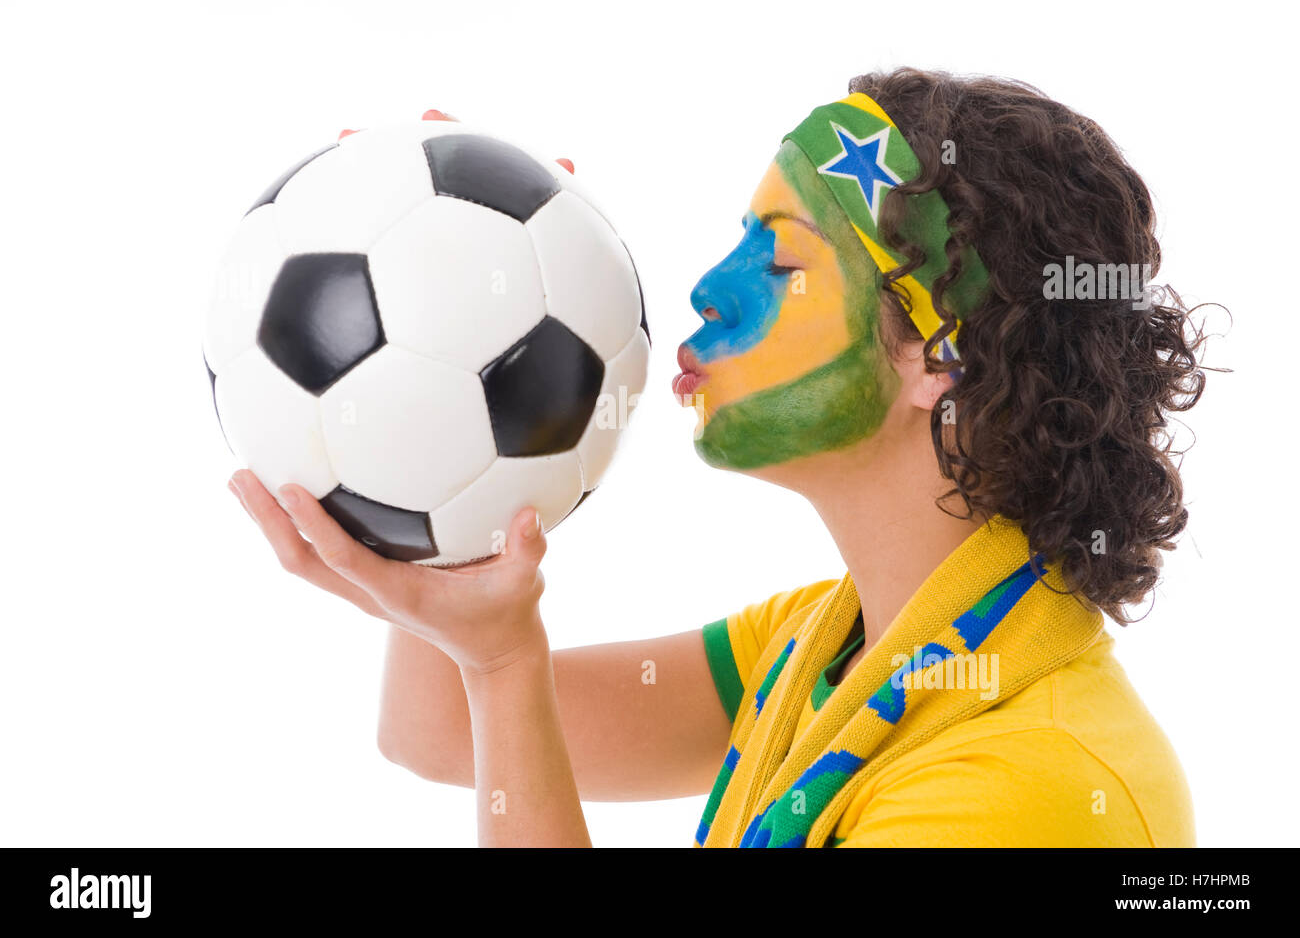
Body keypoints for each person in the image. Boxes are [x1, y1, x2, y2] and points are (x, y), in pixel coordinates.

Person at [227, 68, 1205, 847]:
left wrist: (500, 660)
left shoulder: (1026, 786)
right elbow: (440, 732)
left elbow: (478, 698)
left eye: (779, 262)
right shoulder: (821, 647)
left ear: (934, 352)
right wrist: (441, 330)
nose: (704, 290)